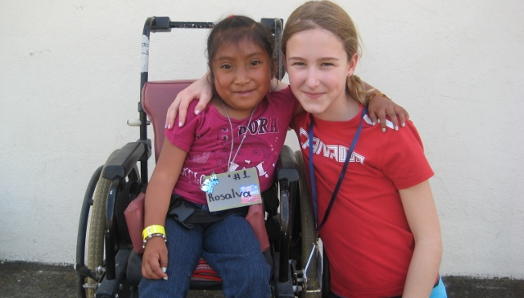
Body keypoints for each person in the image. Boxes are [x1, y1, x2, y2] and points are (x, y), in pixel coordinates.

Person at [165, 1, 447, 298]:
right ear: (284, 63)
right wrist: (206, 81)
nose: (312, 81)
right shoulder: (300, 112)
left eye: (326, 64)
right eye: (299, 64)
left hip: (406, 290)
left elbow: (429, 239)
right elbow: (247, 83)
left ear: (351, 63)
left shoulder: (389, 130)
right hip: (339, 287)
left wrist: (375, 94)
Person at [139, 15, 300, 298]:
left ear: (273, 66)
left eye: (254, 63)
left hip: (233, 214)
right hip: (183, 212)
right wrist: (153, 235)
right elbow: (163, 176)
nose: (242, 78)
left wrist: (374, 97)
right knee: (162, 278)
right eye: (227, 66)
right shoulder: (194, 111)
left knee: (253, 273)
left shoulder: (283, 104)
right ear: (211, 73)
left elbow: (329, 97)